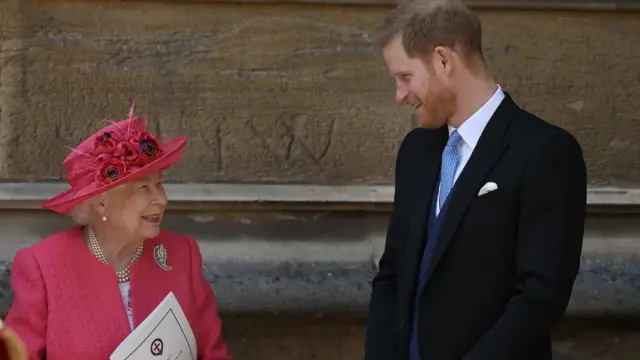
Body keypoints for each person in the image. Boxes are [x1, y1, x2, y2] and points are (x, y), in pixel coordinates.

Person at [364, 1, 587, 359]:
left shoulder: (545, 152)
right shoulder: (416, 151)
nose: (399, 94)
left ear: (443, 61)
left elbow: (540, 296)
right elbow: (393, 273)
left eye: (405, 77)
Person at [3, 105, 232, 360]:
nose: (160, 199)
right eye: (142, 187)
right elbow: (18, 355)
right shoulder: (43, 267)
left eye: (159, 184)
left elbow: (213, 354)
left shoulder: (181, 254)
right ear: (102, 203)